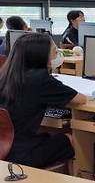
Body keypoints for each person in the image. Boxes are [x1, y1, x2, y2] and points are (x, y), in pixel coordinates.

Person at [0, 33, 86, 168]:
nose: (56, 54)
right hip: (21, 155)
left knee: (49, 134)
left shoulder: (6, 74)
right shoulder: (40, 79)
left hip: (5, 147)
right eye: (54, 51)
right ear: (41, 56)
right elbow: (81, 99)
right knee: (70, 139)